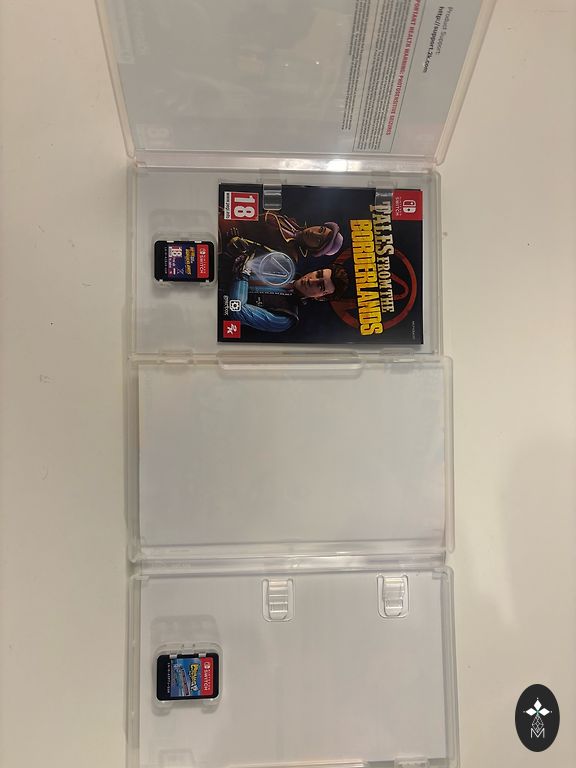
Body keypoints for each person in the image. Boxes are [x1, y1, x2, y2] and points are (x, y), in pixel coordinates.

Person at [224, 236, 349, 333]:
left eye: (320, 286)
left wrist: (242, 274)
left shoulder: (286, 318)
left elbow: (236, 310)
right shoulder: (284, 265)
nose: (312, 281)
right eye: (318, 274)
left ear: (320, 297)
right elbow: (248, 250)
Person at [219, 211, 344, 262]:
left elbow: (251, 261)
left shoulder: (289, 256)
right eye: (321, 229)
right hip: (223, 214)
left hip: (220, 240)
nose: (314, 233)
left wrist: (236, 246)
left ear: (316, 249)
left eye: (318, 240)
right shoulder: (291, 221)